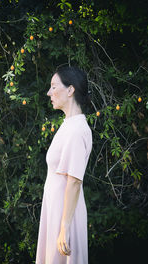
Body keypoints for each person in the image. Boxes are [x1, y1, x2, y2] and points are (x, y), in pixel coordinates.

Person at [36, 66, 92, 264]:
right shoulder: (68, 125)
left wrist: (64, 228)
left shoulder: (77, 129)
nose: (49, 92)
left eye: (53, 87)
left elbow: (74, 181)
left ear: (70, 90)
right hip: (56, 210)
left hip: (65, 215)